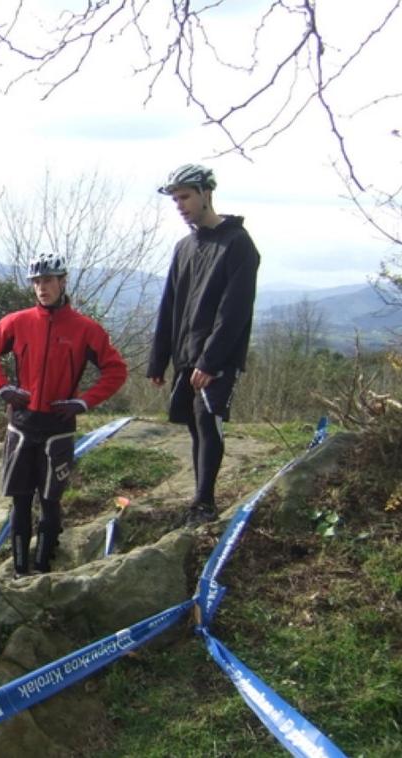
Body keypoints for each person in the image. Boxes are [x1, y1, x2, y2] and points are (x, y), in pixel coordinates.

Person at [0, 254, 127, 576]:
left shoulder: (86, 329)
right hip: (22, 424)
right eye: (36, 282)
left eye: (47, 281)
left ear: (62, 282)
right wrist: (2, 387)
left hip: (58, 427)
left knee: (50, 501)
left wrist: (84, 402)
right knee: (20, 500)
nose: (41, 288)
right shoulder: (17, 322)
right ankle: (20, 572)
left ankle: (43, 571)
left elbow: (116, 370)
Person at [147, 164, 260, 526]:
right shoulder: (184, 247)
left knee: (207, 419)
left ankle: (204, 504)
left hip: (218, 356)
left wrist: (210, 361)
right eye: (175, 200)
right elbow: (170, 304)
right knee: (194, 425)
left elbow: (235, 310)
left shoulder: (238, 243)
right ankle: (198, 498)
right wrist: (158, 359)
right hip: (186, 353)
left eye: (185, 197)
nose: (180, 205)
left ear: (206, 194)